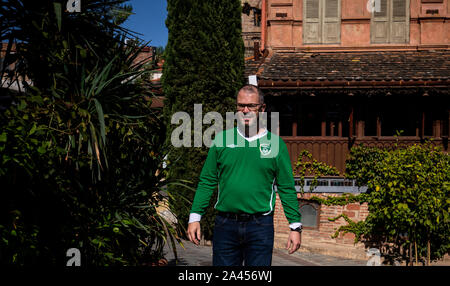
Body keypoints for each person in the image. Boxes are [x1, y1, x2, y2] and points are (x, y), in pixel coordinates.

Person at [187, 84, 302, 266]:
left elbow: (286, 187)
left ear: (262, 109)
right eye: (241, 106)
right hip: (225, 225)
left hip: (260, 226)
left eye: (251, 106)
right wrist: (195, 217)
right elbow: (207, 181)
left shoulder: (275, 144)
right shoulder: (222, 140)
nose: (245, 110)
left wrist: (295, 226)